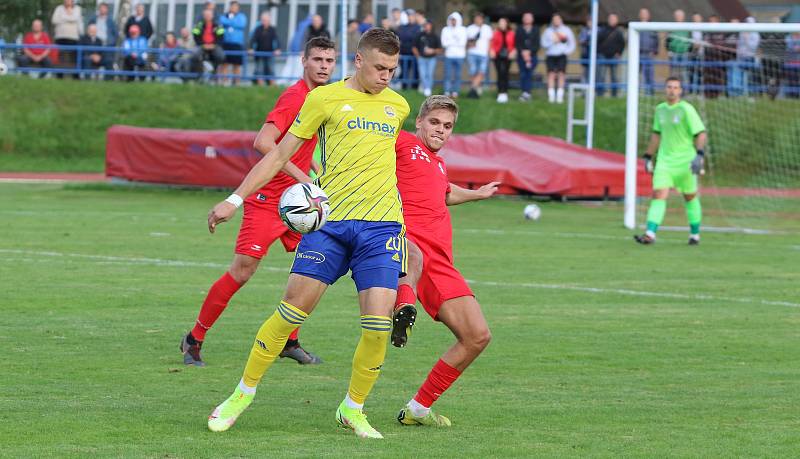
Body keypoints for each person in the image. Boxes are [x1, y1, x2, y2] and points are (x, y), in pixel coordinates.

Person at [205, 28, 410, 439]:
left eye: (392, 69)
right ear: (358, 61)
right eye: (379, 67)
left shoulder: (399, 106)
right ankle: (241, 394)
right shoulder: (323, 99)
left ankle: (353, 409)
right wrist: (235, 199)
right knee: (290, 313)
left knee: (377, 327)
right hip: (330, 227)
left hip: (382, 227)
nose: (386, 76)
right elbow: (278, 153)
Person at [180, 37, 336, 368]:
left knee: (314, 268)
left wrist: (315, 171)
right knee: (242, 271)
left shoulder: (321, 99)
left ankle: (289, 341)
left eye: (330, 60)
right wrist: (302, 176)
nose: (324, 65)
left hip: (301, 201)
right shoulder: (295, 97)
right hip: (269, 199)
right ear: (303, 61)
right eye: (318, 59)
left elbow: (300, 147)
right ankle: (194, 339)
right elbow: (263, 142)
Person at [392, 95, 498, 426]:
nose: (441, 130)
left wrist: (477, 194)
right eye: (435, 122)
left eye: (448, 126)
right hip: (410, 244)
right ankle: (400, 309)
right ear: (419, 122)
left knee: (478, 336)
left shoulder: (437, 164)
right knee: (412, 257)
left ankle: (418, 408)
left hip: (442, 261)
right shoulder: (400, 143)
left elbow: (445, 193)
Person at [635, 77, 707, 246]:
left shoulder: (686, 109)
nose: (672, 90)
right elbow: (656, 134)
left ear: (680, 91)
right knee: (659, 194)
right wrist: (647, 156)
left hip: (685, 162)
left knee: (689, 197)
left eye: (675, 87)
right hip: (665, 161)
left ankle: (695, 234)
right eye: (669, 87)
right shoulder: (660, 109)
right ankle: (650, 234)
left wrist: (699, 155)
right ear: (664, 89)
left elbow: (701, 133)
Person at [541, 13, 575, 104]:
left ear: (561, 20)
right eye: (554, 19)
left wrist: (565, 51)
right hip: (551, 55)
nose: (556, 21)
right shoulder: (548, 31)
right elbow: (543, 43)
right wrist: (552, 42)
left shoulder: (566, 30)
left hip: (561, 55)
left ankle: (560, 96)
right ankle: (551, 96)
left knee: (561, 74)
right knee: (551, 74)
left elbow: (572, 44)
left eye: (558, 19)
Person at [51, 0, 83, 79]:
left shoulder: (78, 9)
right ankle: (59, 76)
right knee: (60, 57)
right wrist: (69, 17)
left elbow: (75, 18)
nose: (67, 1)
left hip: (73, 37)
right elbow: (54, 20)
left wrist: (63, 17)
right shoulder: (59, 8)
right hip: (60, 37)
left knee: (74, 57)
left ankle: (75, 76)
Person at [218, 1, 247, 85]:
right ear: (230, 7)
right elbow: (221, 21)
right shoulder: (224, 16)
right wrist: (233, 22)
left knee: (237, 64)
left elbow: (241, 24)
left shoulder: (242, 16)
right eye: (233, 6)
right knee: (224, 63)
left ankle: (237, 82)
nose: (234, 8)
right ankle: (225, 82)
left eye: (236, 7)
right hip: (226, 43)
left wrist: (229, 22)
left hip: (237, 44)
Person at [596, 13, 625, 97]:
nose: (612, 21)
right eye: (611, 19)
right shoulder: (602, 30)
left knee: (614, 77)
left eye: (614, 19)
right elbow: (598, 42)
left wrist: (619, 53)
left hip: (614, 57)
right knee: (601, 76)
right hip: (603, 56)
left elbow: (622, 44)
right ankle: (600, 94)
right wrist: (600, 52)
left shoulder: (619, 32)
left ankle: (614, 94)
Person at [465, 12, 493, 99]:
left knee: (481, 71)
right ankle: (476, 88)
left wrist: (489, 51)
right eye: (476, 18)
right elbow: (465, 42)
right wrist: (470, 44)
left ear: (482, 19)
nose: (478, 20)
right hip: (472, 53)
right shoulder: (469, 28)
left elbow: (489, 41)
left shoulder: (487, 28)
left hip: (483, 54)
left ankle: (473, 88)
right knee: (473, 71)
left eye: (479, 18)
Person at [192, 8, 225, 77]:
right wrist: (202, 44)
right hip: (202, 45)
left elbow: (221, 37)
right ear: (203, 16)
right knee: (195, 55)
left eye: (209, 15)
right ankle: (199, 73)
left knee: (221, 56)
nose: (207, 16)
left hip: (214, 45)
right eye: (206, 15)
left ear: (212, 16)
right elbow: (195, 36)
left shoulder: (218, 25)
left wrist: (214, 45)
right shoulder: (198, 25)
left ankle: (213, 71)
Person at [515, 12, 540, 102]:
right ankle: (524, 92)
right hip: (521, 56)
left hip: (532, 56)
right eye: (525, 17)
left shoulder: (536, 29)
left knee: (529, 74)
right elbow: (517, 43)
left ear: (532, 19)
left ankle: (527, 92)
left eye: (529, 17)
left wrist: (529, 52)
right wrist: (523, 52)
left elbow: (537, 44)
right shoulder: (519, 29)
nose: (527, 19)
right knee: (522, 74)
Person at [251, 12, 282, 86]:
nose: (265, 22)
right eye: (263, 20)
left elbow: (277, 40)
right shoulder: (258, 29)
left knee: (271, 69)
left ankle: (272, 84)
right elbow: (253, 39)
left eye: (266, 20)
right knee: (259, 69)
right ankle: (260, 84)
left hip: (270, 53)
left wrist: (278, 49)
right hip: (259, 53)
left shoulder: (272, 29)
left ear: (269, 21)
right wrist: (250, 48)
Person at [489, 17, 515, 104]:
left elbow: (514, 44)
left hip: (508, 55)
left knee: (505, 74)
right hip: (498, 55)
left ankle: (505, 93)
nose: (502, 24)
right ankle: (500, 93)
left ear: (507, 23)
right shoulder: (496, 32)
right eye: (500, 23)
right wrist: (492, 51)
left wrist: (513, 52)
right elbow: (492, 43)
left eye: (503, 22)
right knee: (500, 73)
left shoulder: (511, 33)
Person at [441, 12, 467, 98]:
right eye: (452, 20)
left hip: (460, 55)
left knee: (458, 75)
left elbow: (462, 43)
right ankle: (447, 91)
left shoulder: (463, 30)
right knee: (447, 74)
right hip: (449, 55)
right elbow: (444, 43)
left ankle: (456, 91)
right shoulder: (445, 29)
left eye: (455, 20)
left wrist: (450, 41)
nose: (453, 22)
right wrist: (455, 40)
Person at [89, 2, 118, 77]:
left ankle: (109, 80)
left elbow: (115, 33)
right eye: (101, 8)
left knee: (108, 62)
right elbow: (89, 30)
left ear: (107, 10)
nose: (102, 10)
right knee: (92, 61)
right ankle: (90, 79)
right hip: (95, 45)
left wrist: (112, 42)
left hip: (107, 45)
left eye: (104, 8)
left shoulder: (111, 21)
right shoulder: (93, 19)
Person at [414, 20, 441, 97]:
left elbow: (439, 49)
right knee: (422, 74)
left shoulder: (435, 36)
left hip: (431, 59)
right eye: (426, 25)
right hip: (421, 58)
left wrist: (432, 51)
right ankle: (426, 88)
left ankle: (428, 89)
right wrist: (418, 56)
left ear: (431, 26)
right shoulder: (420, 35)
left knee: (429, 74)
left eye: (428, 25)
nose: (427, 27)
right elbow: (414, 46)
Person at [734, 17, 759, 97]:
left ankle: (751, 94)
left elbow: (753, 47)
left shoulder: (756, 34)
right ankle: (739, 93)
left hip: (750, 57)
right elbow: (739, 46)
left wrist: (747, 39)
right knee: (740, 76)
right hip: (741, 57)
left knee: (750, 77)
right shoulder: (742, 32)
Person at [397, 9, 421, 90]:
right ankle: (404, 87)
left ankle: (415, 87)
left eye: (411, 16)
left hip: (414, 53)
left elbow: (416, 39)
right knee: (404, 70)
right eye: (408, 16)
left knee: (415, 71)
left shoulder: (418, 27)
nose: (410, 18)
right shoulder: (403, 27)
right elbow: (401, 37)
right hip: (404, 51)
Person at [666, 9, 691, 84]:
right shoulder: (671, 27)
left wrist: (689, 50)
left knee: (684, 73)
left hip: (684, 53)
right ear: (675, 17)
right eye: (677, 16)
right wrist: (669, 50)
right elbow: (667, 40)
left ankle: (685, 92)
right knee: (674, 73)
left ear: (683, 17)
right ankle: (673, 88)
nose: (679, 17)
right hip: (674, 53)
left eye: (680, 16)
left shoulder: (687, 27)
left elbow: (690, 40)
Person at [638, 8, 658, 95]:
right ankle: (636, 92)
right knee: (636, 75)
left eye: (645, 13)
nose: (644, 15)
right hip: (638, 54)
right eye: (642, 13)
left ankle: (650, 92)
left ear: (648, 15)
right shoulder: (636, 26)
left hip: (649, 54)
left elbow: (656, 40)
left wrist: (654, 51)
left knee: (649, 75)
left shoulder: (652, 27)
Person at [688, 13, 705, 93]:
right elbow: (687, 42)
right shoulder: (690, 30)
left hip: (701, 54)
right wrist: (693, 46)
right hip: (692, 54)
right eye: (695, 18)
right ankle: (691, 91)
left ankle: (698, 92)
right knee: (691, 73)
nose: (696, 19)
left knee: (699, 73)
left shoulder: (704, 29)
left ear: (700, 18)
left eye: (697, 18)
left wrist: (700, 45)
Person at [786, 32, 800, 99]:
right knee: (792, 80)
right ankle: (793, 96)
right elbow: (790, 47)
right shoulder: (789, 37)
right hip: (791, 63)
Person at [578, 15, 591, 83]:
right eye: (589, 21)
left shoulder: (598, 30)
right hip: (585, 54)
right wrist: (586, 41)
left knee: (595, 72)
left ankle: (596, 89)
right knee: (584, 72)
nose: (590, 23)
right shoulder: (584, 31)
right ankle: (584, 88)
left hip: (595, 55)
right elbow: (580, 41)